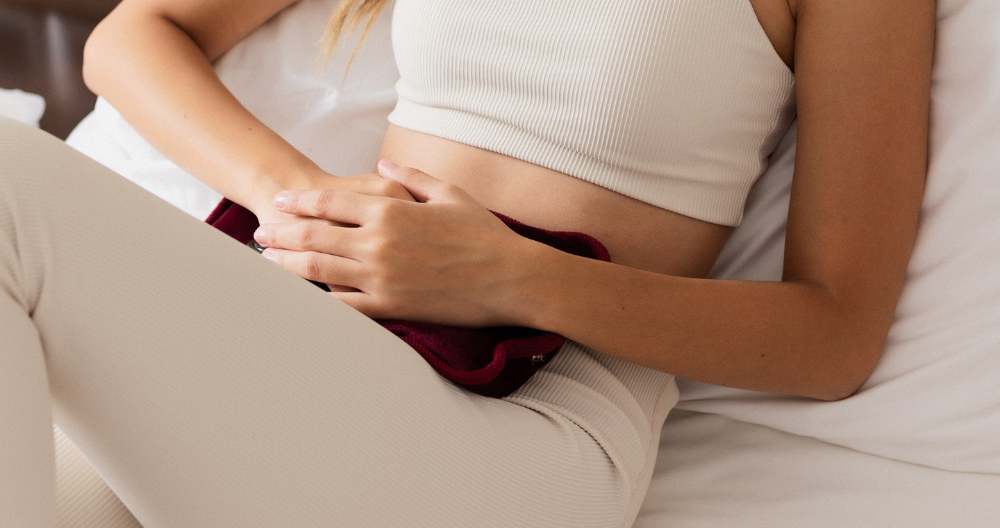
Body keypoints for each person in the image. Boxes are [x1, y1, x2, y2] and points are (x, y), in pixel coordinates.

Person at [0, 0, 934, 526]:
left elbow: (835, 332)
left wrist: (510, 275)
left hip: (531, 426)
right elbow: (133, 34)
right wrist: (303, 196)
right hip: (327, 333)